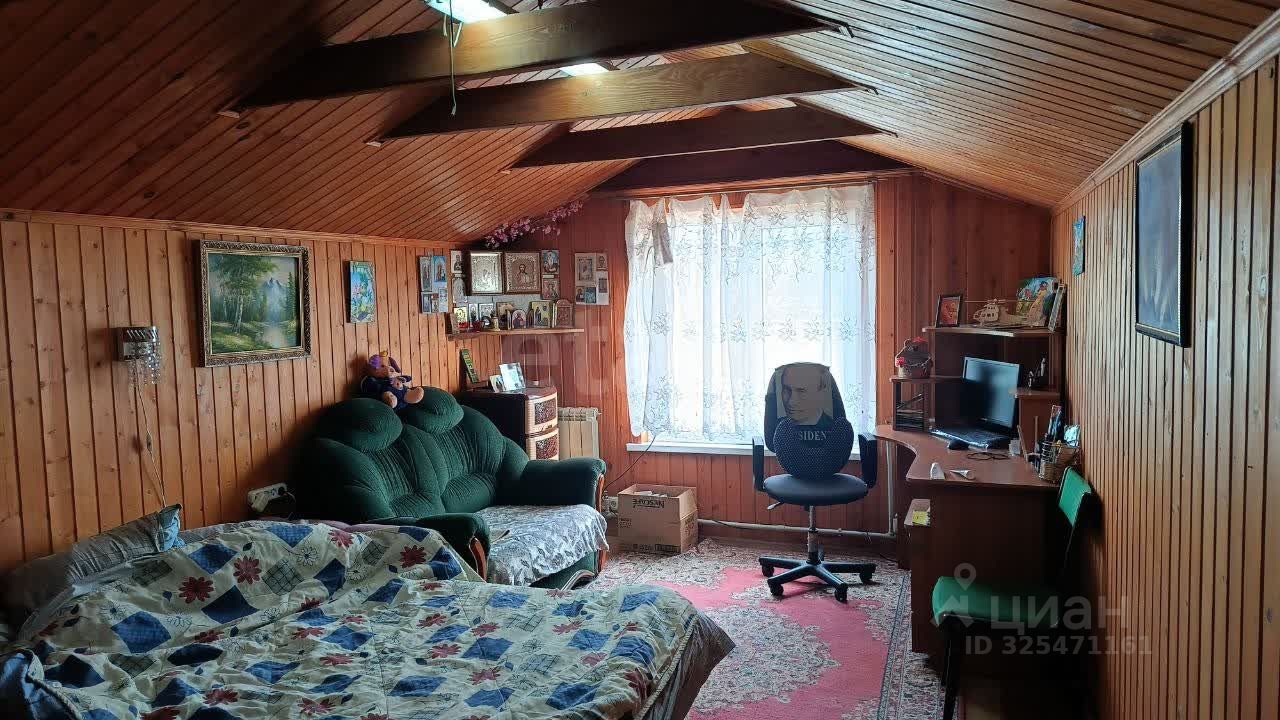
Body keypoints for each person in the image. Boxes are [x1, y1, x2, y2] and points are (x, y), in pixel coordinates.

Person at [779, 364, 835, 428]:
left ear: (821, 393)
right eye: (787, 390)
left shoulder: (834, 430)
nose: (791, 402)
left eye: (801, 391)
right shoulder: (776, 428)